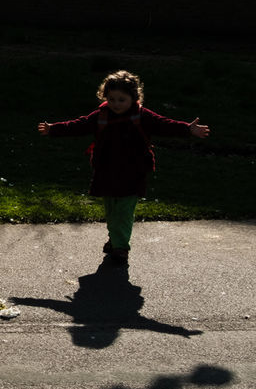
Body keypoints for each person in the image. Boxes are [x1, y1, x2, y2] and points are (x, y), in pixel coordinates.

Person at [38, 70, 210, 265]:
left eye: (121, 99)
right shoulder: (101, 115)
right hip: (106, 171)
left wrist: (188, 129)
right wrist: (54, 129)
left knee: (124, 211)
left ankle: (121, 248)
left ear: (133, 98)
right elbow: (78, 125)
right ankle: (115, 239)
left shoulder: (141, 116)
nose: (116, 104)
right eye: (111, 99)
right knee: (111, 210)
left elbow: (164, 124)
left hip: (133, 172)